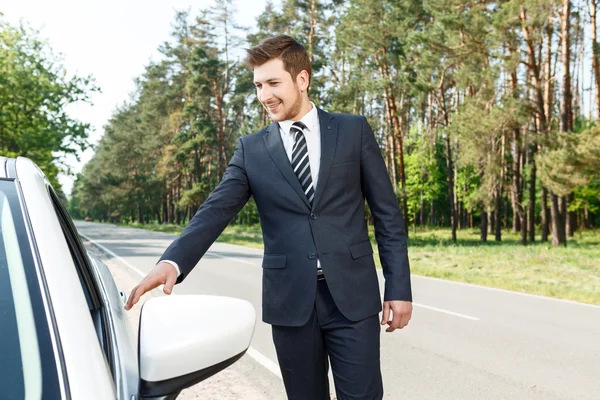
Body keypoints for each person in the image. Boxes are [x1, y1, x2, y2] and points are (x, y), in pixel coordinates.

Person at [124, 35, 412, 400]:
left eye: (273, 83)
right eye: (259, 85)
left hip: (352, 299)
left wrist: (398, 288)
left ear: (302, 79)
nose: (264, 95)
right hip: (291, 302)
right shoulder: (252, 149)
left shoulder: (352, 131)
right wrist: (173, 261)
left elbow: (387, 214)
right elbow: (216, 210)